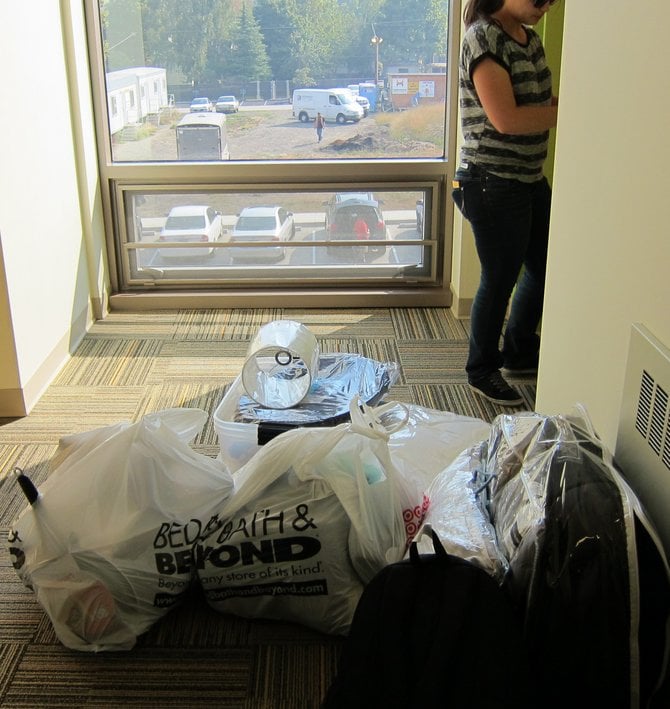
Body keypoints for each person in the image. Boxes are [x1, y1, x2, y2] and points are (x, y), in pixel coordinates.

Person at [452, 0, 559, 406]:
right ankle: (481, 369)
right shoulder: (483, 38)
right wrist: (569, 113)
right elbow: (507, 120)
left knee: (545, 267)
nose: (546, 6)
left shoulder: (529, 40)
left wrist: (557, 110)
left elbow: (541, 106)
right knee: (499, 280)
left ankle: (518, 350)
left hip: (530, 179)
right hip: (491, 182)